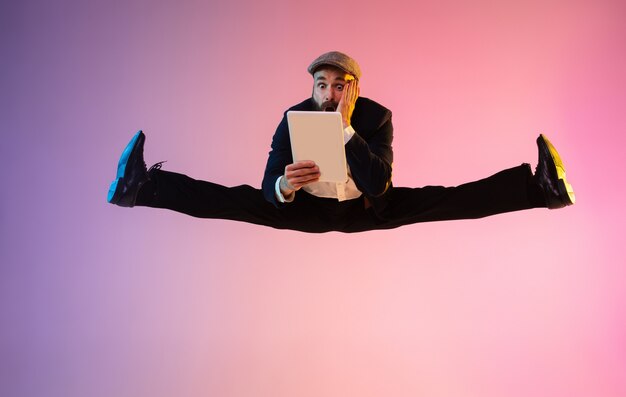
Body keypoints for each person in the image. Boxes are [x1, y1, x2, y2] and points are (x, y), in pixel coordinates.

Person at [107, 51, 575, 233]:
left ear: (353, 88)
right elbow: (269, 176)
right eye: (321, 85)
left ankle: (541, 191)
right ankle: (140, 190)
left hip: (365, 207)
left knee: (444, 201)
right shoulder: (294, 118)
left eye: (339, 85)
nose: (329, 94)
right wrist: (283, 189)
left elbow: (380, 182)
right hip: (308, 207)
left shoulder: (375, 117)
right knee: (235, 200)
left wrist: (346, 128)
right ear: (311, 87)